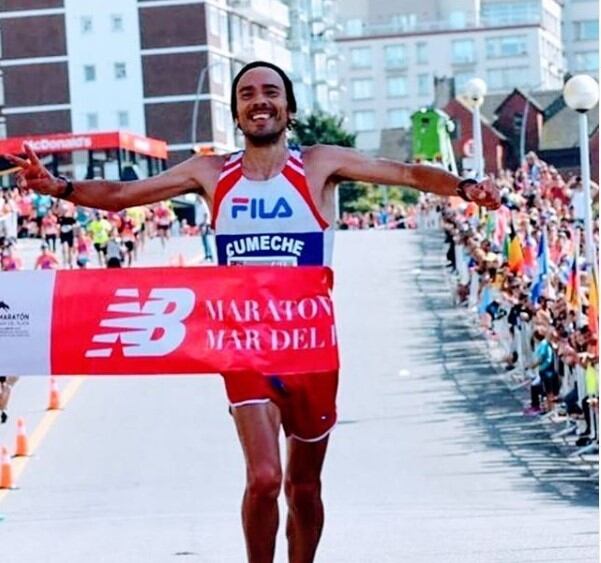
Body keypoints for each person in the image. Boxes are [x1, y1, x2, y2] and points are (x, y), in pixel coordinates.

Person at [6, 60, 500, 563]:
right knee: (264, 478)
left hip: (309, 348)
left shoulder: (318, 165)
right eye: (247, 94)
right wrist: (60, 188)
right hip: (243, 346)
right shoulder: (210, 173)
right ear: (236, 112)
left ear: (289, 107)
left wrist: (464, 188)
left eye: (270, 92)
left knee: (303, 487)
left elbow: (407, 173)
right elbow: (122, 196)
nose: (259, 100)